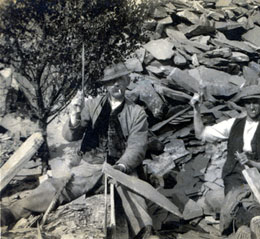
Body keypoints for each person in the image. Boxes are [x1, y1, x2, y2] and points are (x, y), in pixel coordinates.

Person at [1, 62, 159, 239]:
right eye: (110, 81)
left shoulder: (137, 113)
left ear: (127, 80)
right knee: (57, 187)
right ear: (105, 85)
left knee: (134, 196)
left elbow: (137, 146)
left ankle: (146, 233)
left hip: (121, 168)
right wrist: (74, 116)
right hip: (90, 164)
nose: (115, 84)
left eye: (120, 79)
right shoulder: (92, 106)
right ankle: (11, 213)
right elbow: (70, 136)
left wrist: (122, 167)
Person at [190, 82, 260, 239]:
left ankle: (249, 225)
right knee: (233, 200)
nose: (252, 107)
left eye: (256, 102)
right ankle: (250, 226)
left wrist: (250, 162)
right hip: (235, 175)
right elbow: (201, 134)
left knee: (257, 200)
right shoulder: (233, 124)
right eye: (248, 102)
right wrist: (196, 110)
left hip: (259, 176)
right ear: (244, 105)